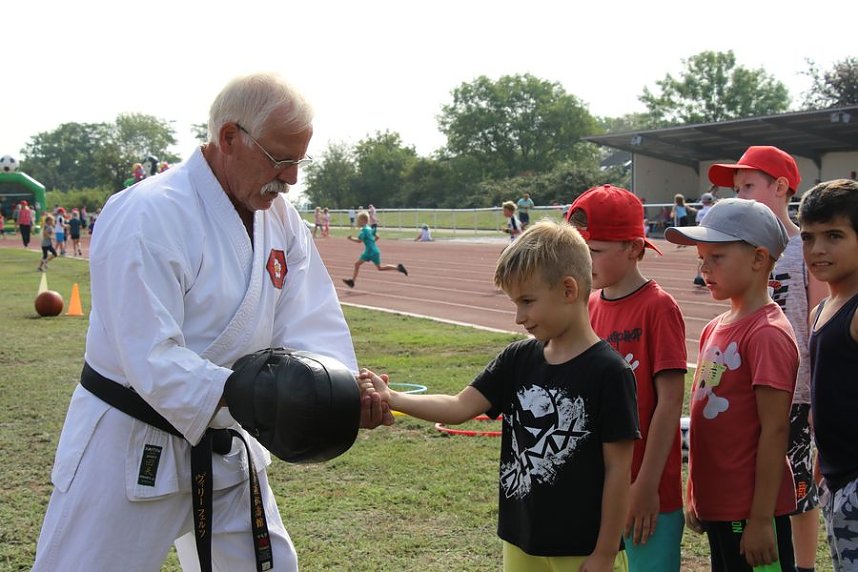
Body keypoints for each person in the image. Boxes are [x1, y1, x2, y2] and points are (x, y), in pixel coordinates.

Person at [31, 72, 392, 572]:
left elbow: (309, 322)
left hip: (228, 445)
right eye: (281, 159)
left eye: (299, 161)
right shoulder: (149, 213)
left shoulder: (282, 220)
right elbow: (149, 355)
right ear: (229, 138)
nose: (291, 178)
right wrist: (257, 392)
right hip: (132, 445)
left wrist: (341, 389)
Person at [361, 219, 640, 571]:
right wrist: (394, 397)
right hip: (522, 540)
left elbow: (618, 470)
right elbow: (459, 405)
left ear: (569, 290)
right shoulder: (517, 359)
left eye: (527, 301)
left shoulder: (609, 373)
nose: (519, 317)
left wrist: (603, 554)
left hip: (582, 549)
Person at [665, 198, 798, 571]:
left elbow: (774, 431)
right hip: (721, 507)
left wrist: (759, 520)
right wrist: (696, 491)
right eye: (701, 257)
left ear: (759, 259)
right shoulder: (714, 327)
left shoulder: (767, 334)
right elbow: (706, 423)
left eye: (716, 257)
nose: (703, 267)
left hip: (750, 512)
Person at [709, 146, 825, 572]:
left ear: (780, 187)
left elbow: (818, 321)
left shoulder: (803, 248)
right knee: (757, 474)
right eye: (736, 188)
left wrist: (815, 395)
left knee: (797, 487)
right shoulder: (739, 254)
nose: (740, 193)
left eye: (748, 186)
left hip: (793, 390)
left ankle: (805, 564)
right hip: (747, 386)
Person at [567, 185, 687, 572]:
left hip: (646, 489)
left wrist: (648, 485)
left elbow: (669, 402)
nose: (584, 263)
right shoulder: (586, 306)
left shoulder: (659, 307)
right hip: (597, 488)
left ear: (635, 248)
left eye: (595, 252)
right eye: (578, 252)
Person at [799, 178, 858, 571]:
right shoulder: (821, 311)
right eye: (808, 237)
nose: (817, 249)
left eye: (833, 235)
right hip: (835, 480)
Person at [342, 211, 407, 288]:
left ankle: (352, 281)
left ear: (363, 221)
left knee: (358, 264)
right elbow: (377, 237)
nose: (357, 222)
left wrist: (351, 238)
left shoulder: (363, 231)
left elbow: (359, 241)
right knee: (378, 267)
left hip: (369, 251)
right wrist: (371, 243)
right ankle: (398, 268)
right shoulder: (369, 228)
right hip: (373, 250)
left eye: (358, 220)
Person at [692, 193, 716, 286]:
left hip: (701, 236)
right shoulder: (713, 211)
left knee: (701, 257)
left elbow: (697, 223)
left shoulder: (700, 212)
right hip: (712, 236)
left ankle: (698, 276)